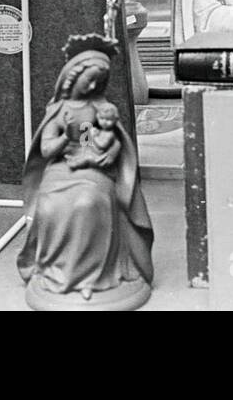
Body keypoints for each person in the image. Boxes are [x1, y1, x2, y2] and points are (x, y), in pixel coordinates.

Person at [18, 37, 153, 309]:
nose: (93, 87)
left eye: (98, 83)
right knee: (49, 205)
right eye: (88, 81)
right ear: (71, 79)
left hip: (91, 167)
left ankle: (95, 277)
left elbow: (91, 140)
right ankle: (55, 271)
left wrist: (104, 151)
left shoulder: (96, 110)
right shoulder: (60, 111)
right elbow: (46, 150)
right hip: (60, 168)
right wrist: (65, 140)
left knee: (88, 201)